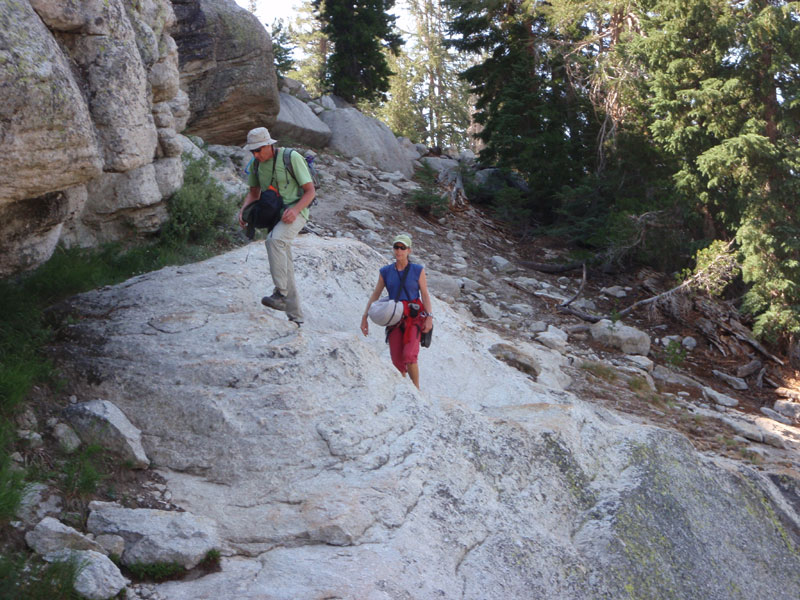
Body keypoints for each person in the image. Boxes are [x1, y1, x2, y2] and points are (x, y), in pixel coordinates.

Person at [238, 127, 315, 325]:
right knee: (285, 266)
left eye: (258, 150)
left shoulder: (291, 157)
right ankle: (296, 317)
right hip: (275, 216)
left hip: (296, 213)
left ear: (269, 145)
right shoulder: (256, 165)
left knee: (274, 241)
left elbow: (310, 192)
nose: (255, 154)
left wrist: (296, 210)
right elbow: (254, 193)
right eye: (252, 151)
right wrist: (244, 211)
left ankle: (280, 294)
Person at [361, 233, 433, 389]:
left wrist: (429, 317)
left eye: (402, 248)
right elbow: (376, 294)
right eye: (396, 247)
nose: (399, 251)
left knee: (409, 355)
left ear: (409, 250)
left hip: (413, 317)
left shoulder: (417, 270)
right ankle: (403, 389)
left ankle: (416, 389)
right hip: (394, 317)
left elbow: (425, 294)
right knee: (396, 360)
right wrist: (365, 317)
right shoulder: (385, 272)